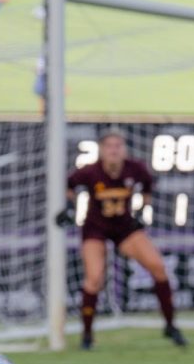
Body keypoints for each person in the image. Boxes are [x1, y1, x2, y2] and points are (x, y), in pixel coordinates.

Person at [59, 129, 187, 350]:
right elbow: (69, 185)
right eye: (109, 146)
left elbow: (147, 187)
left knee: (158, 267)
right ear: (101, 150)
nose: (114, 150)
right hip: (95, 229)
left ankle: (170, 325)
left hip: (125, 228)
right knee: (94, 278)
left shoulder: (135, 168)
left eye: (118, 145)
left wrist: (142, 210)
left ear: (124, 149)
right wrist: (69, 205)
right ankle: (87, 335)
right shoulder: (90, 172)